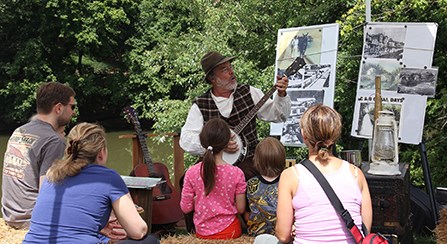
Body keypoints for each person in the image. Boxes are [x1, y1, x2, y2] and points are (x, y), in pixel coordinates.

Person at [23, 122, 159, 243]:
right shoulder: (108, 177)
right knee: (150, 240)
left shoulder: (51, 175)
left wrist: (99, 228)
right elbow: (138, 231)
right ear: (101, 152)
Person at [180, 51, 291, 181]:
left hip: (249, 162)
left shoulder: (249, 92)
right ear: (212, 79)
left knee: (246, 178)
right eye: (224, 69)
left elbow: (278, 115)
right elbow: (186, 140)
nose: (231, 72)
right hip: (215, 164)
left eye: (230, 67)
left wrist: (281, 94)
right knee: (186, 180)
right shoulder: (201, 105)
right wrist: (216, 145)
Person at [275, 104, 373, 243]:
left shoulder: (291, 175)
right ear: (335, 136)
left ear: (304, 134)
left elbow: (283, 235)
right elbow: (364, 229)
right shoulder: (356, 174)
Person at [1, 82, 76, 229]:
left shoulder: (19, 131)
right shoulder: (54, 141)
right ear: (59, 108)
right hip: (31, 219)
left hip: (10, 215)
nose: (73, 112)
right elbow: (47, 191)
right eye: (72, 106)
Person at [180, 118, 246, 239]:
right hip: (230, 231)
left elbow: (185, 208)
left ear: (202, 141)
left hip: (203, 233)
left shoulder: (192, 172)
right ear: (227, 143)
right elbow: (241, 208)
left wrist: (197, 200)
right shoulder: (237, 173)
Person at [246, 137, 286, 236]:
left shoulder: (251, 183)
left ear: (257, 160)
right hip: (280, 234)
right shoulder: (286, 182)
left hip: (256, 234)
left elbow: (247, 213)